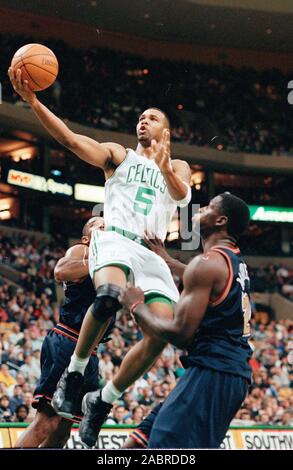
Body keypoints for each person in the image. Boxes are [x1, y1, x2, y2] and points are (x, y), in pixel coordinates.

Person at [8, 68, 191, 448]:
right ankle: (74, 375)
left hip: (152, 253)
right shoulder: (119, 155)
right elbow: (71, 140)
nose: (143, 120)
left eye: (152, 117)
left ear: (166, 131)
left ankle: (103, 400)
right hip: (118, 240)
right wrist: (34, 103)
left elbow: (182, 196)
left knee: (162, 332)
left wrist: (162, 164)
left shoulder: (177, 167)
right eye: (140, 116)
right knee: (107, 295)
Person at [119, 193, 253, 448]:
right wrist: (168, 260)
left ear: (220, 220)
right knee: (137, 444)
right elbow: (203, 277)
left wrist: (136, 306)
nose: (200, 209)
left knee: (165, 450)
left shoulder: (207, 264)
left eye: (208, 207)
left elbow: (181, 333)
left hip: (215, 372)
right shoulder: (233, 260)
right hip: (223, 370)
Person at [15, 217, 113, 448]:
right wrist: (100, 259)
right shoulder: (83, 250)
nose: (105, 224)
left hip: (90, 352)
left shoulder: (113, 263)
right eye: (98, 223)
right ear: (86, 237)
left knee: (62, 432)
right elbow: (60, 271)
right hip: (68, 340)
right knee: (46, 422)